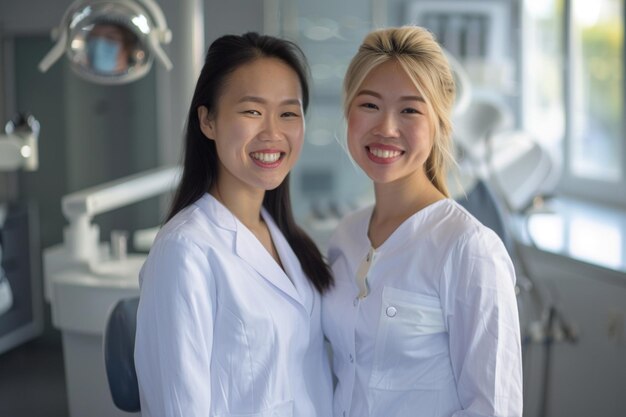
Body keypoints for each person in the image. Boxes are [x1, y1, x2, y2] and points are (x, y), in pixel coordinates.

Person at [322, 26, 523, 417]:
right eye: (369, 105)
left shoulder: (468, 248)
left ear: (439, 124)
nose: (386, 128)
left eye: (410, 110)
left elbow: (493, 409)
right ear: (348, 112)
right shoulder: (345, 237)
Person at [134, 32, 334, 417]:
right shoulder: (185, 250)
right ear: (208, 120)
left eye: (288, 113)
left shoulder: (286, 238)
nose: (273, 133)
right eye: (252, 111)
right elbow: (179, 408)